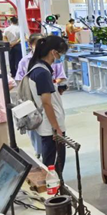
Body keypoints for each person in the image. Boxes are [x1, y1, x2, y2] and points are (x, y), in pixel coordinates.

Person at [27, 36, 69, 175]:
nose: (60, 57)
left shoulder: (37, 68)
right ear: (53, 52)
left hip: (49, 123)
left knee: (51, 161)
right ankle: (54, 185)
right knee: (54, 164)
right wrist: (56, 127)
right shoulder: (42, 73)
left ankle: (53, 183)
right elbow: (46, 103)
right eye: (60, 54)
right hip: (51, 125)